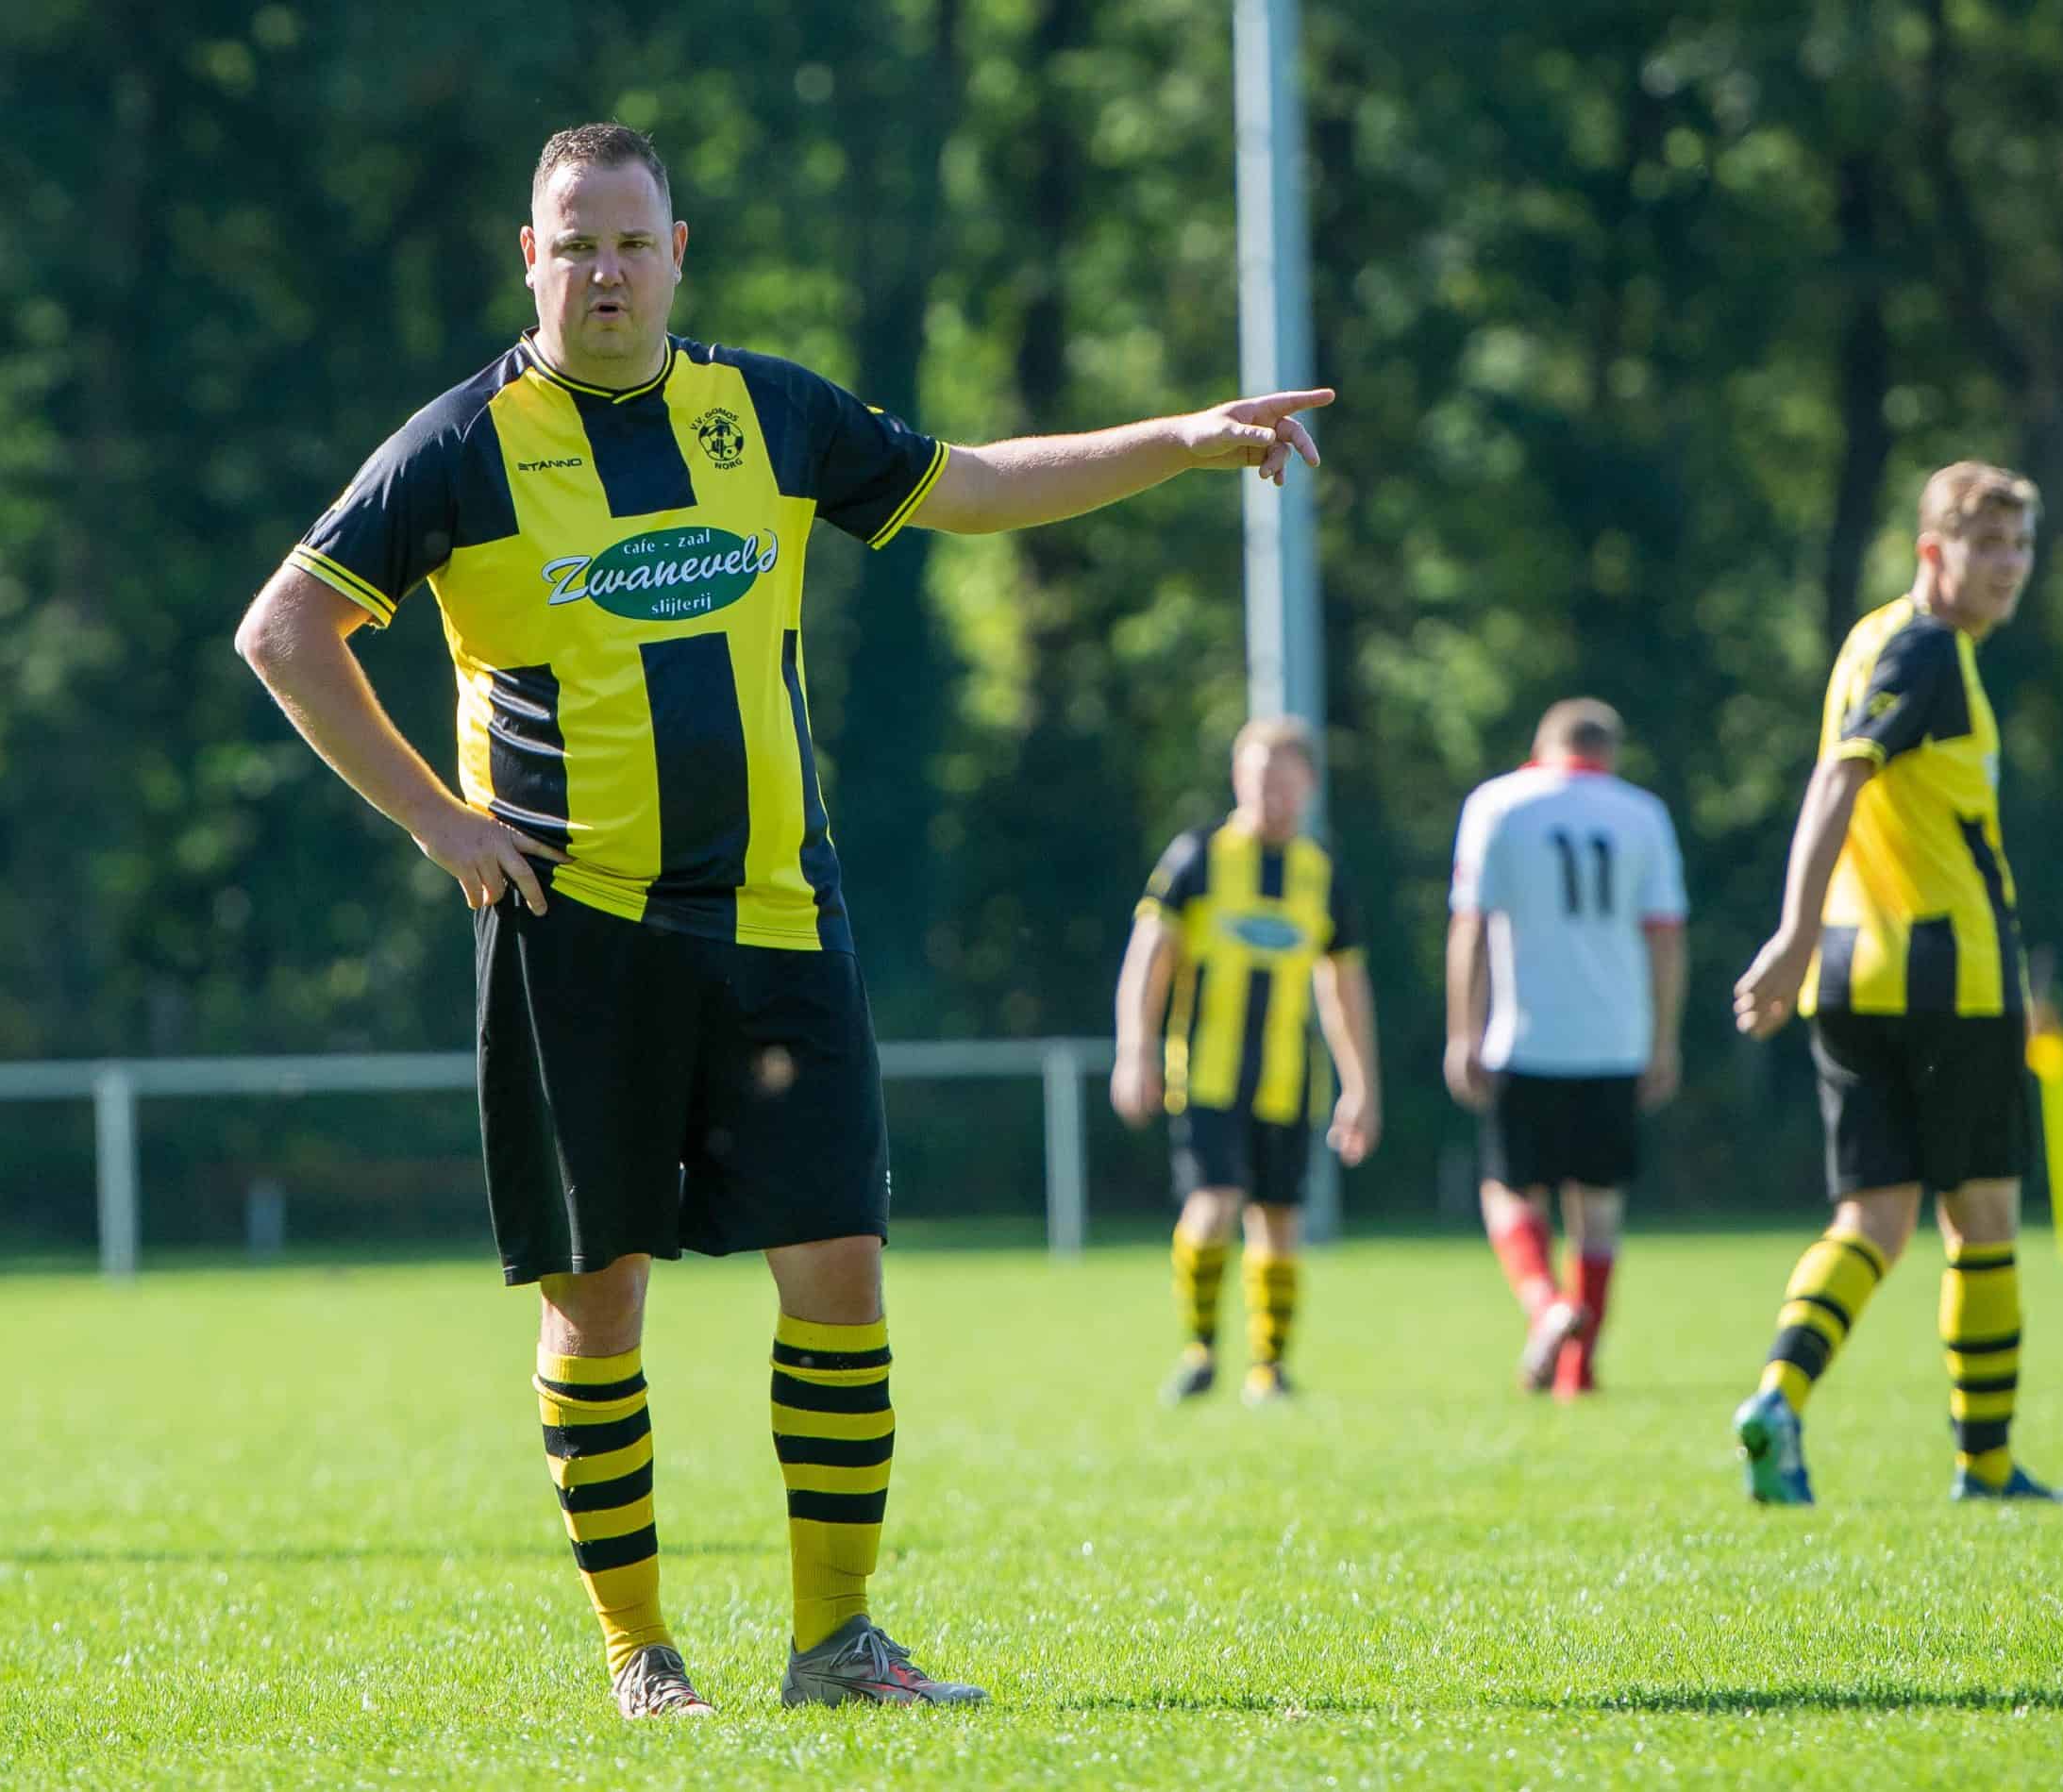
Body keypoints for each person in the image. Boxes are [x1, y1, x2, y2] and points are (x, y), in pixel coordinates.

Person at [233, 122, 1337, 1717]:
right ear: (529, 259)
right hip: (578, 935)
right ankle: (640, 1651)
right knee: (598, 1301)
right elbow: (289, 631)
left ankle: (836, 1645)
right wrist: (437, 818)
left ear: (680, 251)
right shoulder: (461, 445)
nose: (605, 269)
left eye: (632, 240)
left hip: (777, 925)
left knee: (841, 1276)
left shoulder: (766, 411)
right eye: (576, 243)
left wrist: (1179, 436)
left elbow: (967, 483)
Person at [1729, 461, 2063, 1506]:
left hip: (1854, 976)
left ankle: (1775, 1401)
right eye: (1988, 547)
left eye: (2019, 547)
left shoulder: (1873, 638)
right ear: (1933, 552)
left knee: (1871, 1222)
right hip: (1946, 978)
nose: (2009, 568)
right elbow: (1840, 775)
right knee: (1980, 1217)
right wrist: (1789, 934)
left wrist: (1809, 947)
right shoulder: (1927, 650)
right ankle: (1985, 1467)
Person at [1110, 717, 1382, 1406]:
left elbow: (1343, 987)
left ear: (1310, 786)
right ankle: (1200, 1347)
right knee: (1215, 1201)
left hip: (1289, 1081)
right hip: (1205, 1075)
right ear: (1238, 777)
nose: (1273, 791)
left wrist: (1361, 1085)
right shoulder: (1197, 856)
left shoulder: (1322, 874)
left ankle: (1270, 1366)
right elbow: (1151, 954)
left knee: (1280, 1218)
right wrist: (1134, 1048)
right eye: (1261, 776)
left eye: (1287, 779)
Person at [1444, 699, 1687, 1398]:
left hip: (1524, 1035)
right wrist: (1662, 1038)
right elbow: (1666, 934)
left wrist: (1464, 1029)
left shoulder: (1499, 803)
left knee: (1508, 1190)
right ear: (1608, 752)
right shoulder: (1641, 813)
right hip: (1615, 1039)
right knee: (1599, 1206)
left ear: (1541, 745)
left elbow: (1471, 926)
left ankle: (1547, 1305)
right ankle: (1580, 1370)